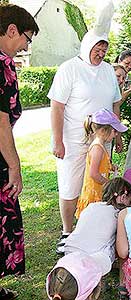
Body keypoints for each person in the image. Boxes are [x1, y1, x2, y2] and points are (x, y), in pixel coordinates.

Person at [47, 1, 123, 254]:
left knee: (98, 184)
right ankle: (67, 231)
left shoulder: (109, 72)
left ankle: (93, 229)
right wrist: (57, 140)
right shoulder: (69, 69)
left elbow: (115, 101)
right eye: (97, 48)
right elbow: (56, 106)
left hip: (102, 139)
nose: (100, 53)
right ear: (87, 46)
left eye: (104, 49)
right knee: (70, 184)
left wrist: (118, 133)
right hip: (73, 139)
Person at [0, 4, 39, 299]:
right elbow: (0, 120)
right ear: (11, 30)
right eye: (27, 37)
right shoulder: (1, 64)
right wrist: (15, 166)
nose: (26, 45)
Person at [75, 109, 128, 218]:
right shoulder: (97, 149)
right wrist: (110, 185)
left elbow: (100, 165)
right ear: (104, 130)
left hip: (99, 191)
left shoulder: (101, 147)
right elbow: (93, 174)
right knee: (92, 221)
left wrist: (111, 167)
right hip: (94, 193)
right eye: (115, 131)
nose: (116, 135)